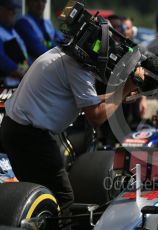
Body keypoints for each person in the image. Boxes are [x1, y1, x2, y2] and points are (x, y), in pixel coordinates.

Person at [0, 13, 145, 215]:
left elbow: (88, 100)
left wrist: (120, 94)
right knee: (63, 198)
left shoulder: (62, 54)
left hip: (18, 130)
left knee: (40, 195)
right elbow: (95, 117)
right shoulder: (78, 68)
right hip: (31, 136)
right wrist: (127, 87)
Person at [0, 0, 30, 87]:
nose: (14, 13)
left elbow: (25, 54)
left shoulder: (12, 31)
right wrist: (24, 74)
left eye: (14, 9)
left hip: (21, 81)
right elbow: (3, 61)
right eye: (10, 9)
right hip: (6, 84)